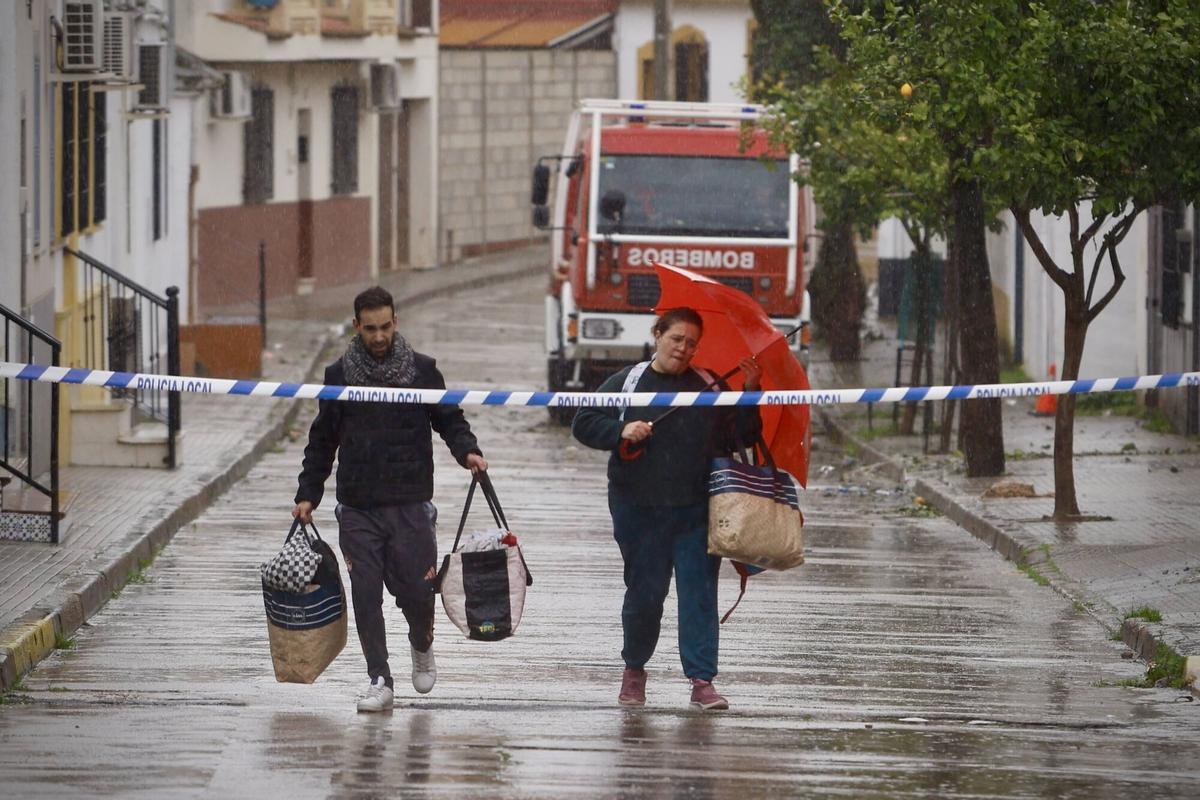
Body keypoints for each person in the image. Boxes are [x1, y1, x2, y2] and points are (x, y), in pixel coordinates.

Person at [293, 286, 487, 713]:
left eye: (385, 327)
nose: (379, 336)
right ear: (357, 326)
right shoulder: (339, 375)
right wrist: (309, 493)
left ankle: (422, 641)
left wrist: (467, 451)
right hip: (358, 506)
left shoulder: (422, 371)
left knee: (418, 594)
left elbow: (449, 419)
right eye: (370, 328)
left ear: (395, 322)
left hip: (410, 503)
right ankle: (379, 678)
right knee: (365, 593)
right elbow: (322, 439)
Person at [572, 307, 762, 711]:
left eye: (692, 343)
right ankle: (634, 672)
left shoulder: (708, 386)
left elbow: (740, 435)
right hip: (637, 509)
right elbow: (583, 420)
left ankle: (702, 681)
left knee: (698, 594)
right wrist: (620, 430)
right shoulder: (628, 382)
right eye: (677, 339)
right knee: (645, 594)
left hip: (695, 510)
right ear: (657, 334)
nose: (684, 348)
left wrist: (749, 391)